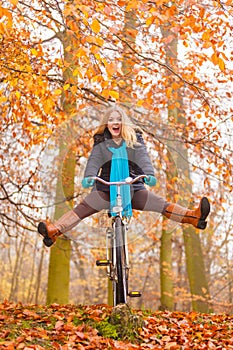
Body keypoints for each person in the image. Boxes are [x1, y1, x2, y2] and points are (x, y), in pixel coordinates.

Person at [38, 105, 210, 247]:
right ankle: (54, 231)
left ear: (124, 123)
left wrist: (149, 174)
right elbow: (94, 160)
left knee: (160, 204)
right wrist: (89, 176)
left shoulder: (135, 139)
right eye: (111, 119)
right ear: (106, 124)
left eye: (118, 119)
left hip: (133, 187)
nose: (115, 122)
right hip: (106, 187)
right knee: (82, 208)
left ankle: (194, 217)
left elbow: (143, 157)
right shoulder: (100, 140)